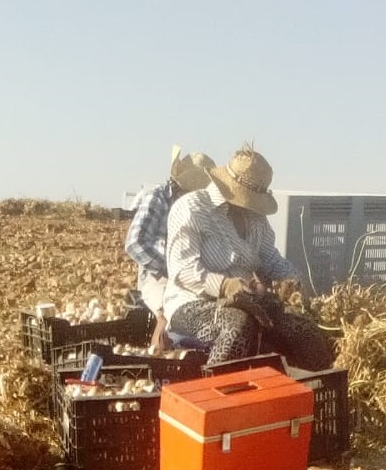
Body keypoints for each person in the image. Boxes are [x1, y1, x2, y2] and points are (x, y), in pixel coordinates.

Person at [163, 144, 334, 371]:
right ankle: (215, 398)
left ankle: (310, 394)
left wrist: (292, 282)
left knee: (305, 331)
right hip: (192, 303)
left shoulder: (256, 218)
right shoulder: (192, 208)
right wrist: (225, 285)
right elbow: (183, 270)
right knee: (237, 328)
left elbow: (270, 258)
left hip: (248, 303)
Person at [124, 146, 215, 350]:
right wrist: (170, 268)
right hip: (158, 275)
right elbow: (134, 243)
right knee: (168, 313)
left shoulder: (199, 207)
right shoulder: (158, 198)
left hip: (190, 273)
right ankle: (157, 362)